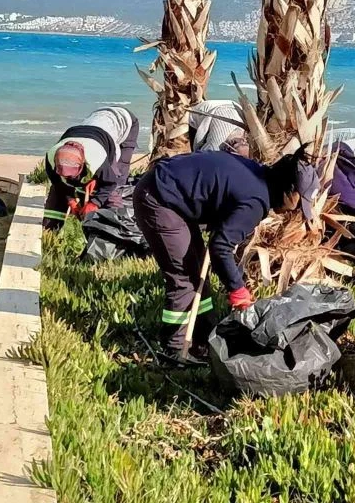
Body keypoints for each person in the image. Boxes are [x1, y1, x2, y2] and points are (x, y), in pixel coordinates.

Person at [133, 148, 319, 365]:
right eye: (299, 202)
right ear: (288, 190)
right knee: (184, 277)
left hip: (170, 192)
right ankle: (176, 349)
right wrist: (238, 290)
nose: (294, 210)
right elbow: (220, 246)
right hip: (158, 199)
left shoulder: (258, 175)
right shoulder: (255, 201)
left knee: (198, 271)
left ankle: (203, 335)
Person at [42, 106, 140, 230]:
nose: (69, 178)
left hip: (124, 121)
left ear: (83, 163)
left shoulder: (97, 156)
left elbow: (110, 183)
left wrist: (94, 204)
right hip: (96, 121)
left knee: (117, 180)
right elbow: (58, 184)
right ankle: (52, 231)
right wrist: (71, 200)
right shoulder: (51, 157)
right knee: (63, 191)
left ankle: (115, 228)